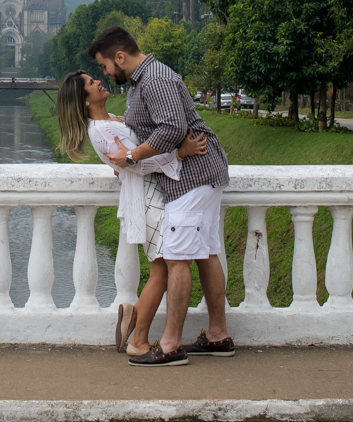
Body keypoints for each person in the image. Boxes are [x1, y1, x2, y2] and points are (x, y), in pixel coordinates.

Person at [89, 25, 234, 366]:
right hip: (197, 173)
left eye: (105, 65)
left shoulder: (154, 78)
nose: (106, 73)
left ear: (120, 56)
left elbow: (171, 127)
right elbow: (155, 125)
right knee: (207, 252)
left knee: (176, 258)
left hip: (192, 174)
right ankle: (218, 335)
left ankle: (170, 345)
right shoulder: (145, 80)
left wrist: (131, 156)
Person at [56, 70, 207, 359]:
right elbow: (135, 165)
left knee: (163, 268)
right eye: (91, 83)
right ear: (85, 100)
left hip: (154, 193)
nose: (98, 81)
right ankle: (137, 341)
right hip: (146, 198)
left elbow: (131, 157)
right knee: (163, 270)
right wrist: (180, 154)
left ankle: (133, 318)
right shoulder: (100, 131)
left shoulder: (110, 120)